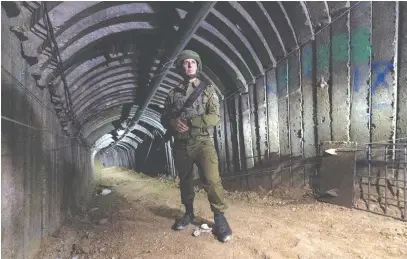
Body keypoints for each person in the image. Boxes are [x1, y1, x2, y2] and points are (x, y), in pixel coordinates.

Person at [160, 50, 232, 243]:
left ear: (197, 66)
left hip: (202, 143)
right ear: (181, 67)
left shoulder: (207, 90)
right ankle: (189, 213)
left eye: (193, 62)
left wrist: (192, 121)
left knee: (212, 179)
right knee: (185, 181)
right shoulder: (172, 93)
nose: (190, 65)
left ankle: (219, 217)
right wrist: (172, 123)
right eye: (186, 62)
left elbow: (215, 117)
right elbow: (164, 117)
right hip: (181, 145)